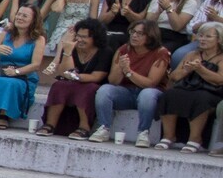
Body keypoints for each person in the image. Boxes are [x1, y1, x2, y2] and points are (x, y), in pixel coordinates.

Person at [93, 24, 171, 146]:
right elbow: (113, 81)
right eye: (133, 32)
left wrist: (129, 72)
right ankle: (103, 128)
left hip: (151, 94)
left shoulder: (161, 52)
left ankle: (143, 132)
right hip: (126, 92)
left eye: (140, 34)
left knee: (147, 94)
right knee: (104, 90)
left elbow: (151, 83)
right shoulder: (123, 49)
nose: (134, 35)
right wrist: (121, 69)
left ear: (151, 37)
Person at [0, 5, 44, 131]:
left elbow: (36, 65)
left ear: (33, 20)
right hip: (2, 72)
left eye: (24, 16)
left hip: (23, 76)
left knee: (11, 83)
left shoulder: (38, 39)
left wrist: (16, 72)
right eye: (19, 14)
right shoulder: (5, 34)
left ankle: (4, 116)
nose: (19, 18)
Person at [36, 19, 110, 139]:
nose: (79, 39)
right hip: (72, 82)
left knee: (87, 89)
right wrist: (68, 52)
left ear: (95, 37)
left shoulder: (105, 51)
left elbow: (97, 76)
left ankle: (84, 127)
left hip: (92, 83)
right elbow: (64, 72)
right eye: (78, 36)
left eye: (84, 37)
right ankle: (50, 124)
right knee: (59, 85)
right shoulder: (72, 47)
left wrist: (77, 77)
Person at [157, 21, 223, 152]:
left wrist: (200, 69)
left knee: (200, 98)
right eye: (201, 36)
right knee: (170, 94)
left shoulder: (221, 57)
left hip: (211, 92)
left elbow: (219, 80)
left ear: (219, 39)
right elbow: (174, 77)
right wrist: (186, 70)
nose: (202, 39)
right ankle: (169, 136)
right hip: (188, 88)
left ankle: (195, 138)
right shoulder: (191, 54)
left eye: (208, 37)